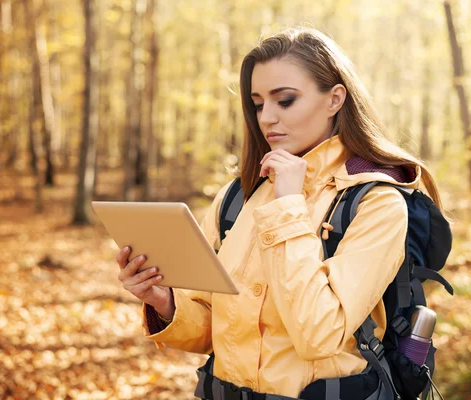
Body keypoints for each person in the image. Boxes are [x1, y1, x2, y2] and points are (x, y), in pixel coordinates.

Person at [115, 26, 444, 400]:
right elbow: (218, 328)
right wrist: (166, 302)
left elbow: (319, 335)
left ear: (335, 99)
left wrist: (289, 207)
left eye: (284, 100)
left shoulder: (377, 203)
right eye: (257, 104)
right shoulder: (237, 198)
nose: (267, 117)